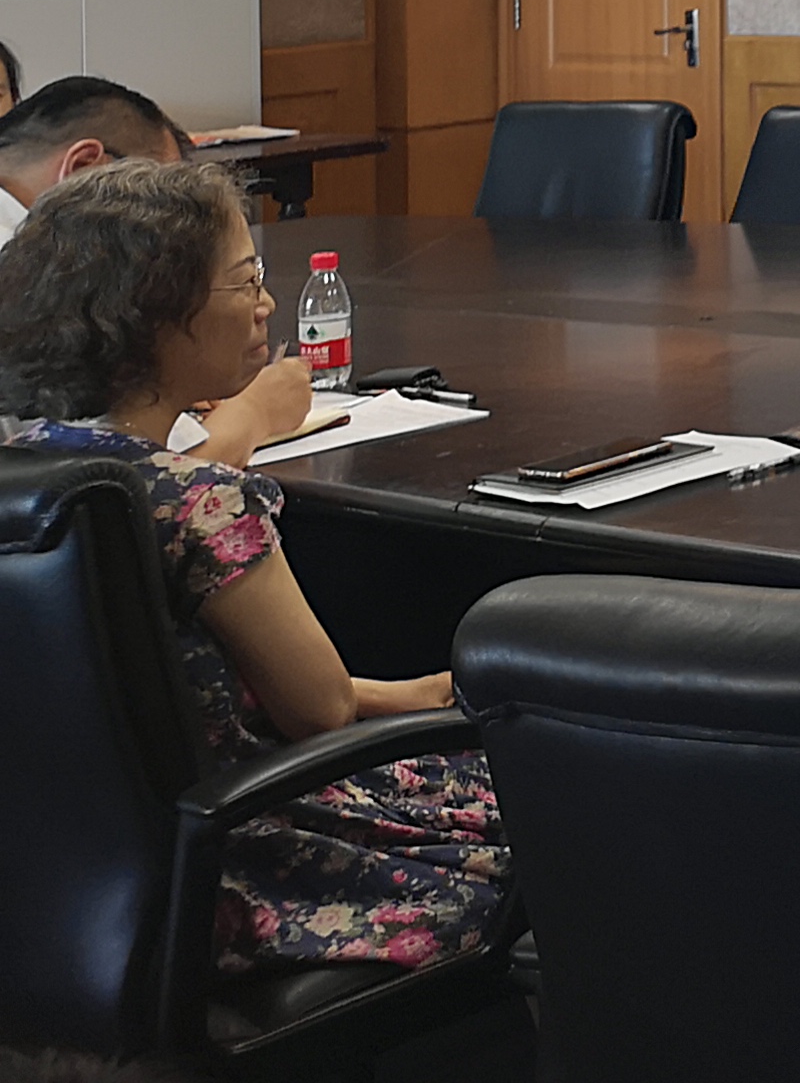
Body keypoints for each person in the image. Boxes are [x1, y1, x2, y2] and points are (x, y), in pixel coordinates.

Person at [0, 160, 511, 970]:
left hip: (60, 883)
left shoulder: (30, 476)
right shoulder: (203, 502)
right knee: (553, 807)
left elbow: (154, 691)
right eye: (246, 282)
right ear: (158, 313)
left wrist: (395, 692)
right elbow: (318, 712)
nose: (266, 305)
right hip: (245, 869)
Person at [0, 78, 305, 466]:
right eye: (165, 202)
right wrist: (255, 412)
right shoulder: (28, 276)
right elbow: (131, 481)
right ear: (84, 169)